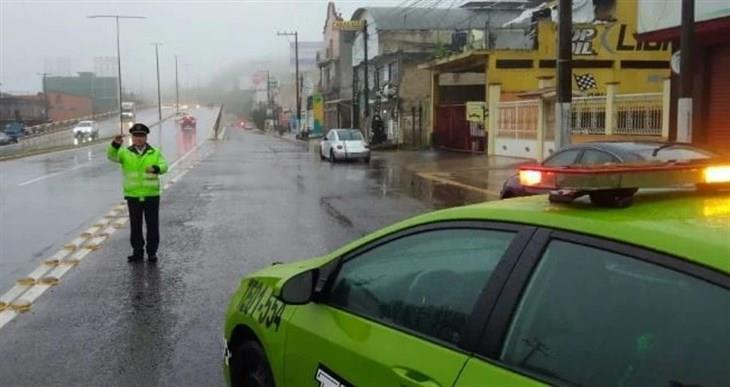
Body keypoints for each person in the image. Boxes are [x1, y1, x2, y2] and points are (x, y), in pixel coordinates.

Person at [107, 123, 168, 263]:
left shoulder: (155, 152)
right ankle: (137, 252)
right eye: (136, 136)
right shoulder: (124, 153)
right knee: (135, 226)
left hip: (151, 195)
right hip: (133, 196)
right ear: (132, 137)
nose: (138, 139)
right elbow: (111, 156)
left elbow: (164, 166)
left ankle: (152, 252)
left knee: (152, 225)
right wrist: (115, 144)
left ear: (146, 137)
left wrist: (156, 168)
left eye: (141, 136)